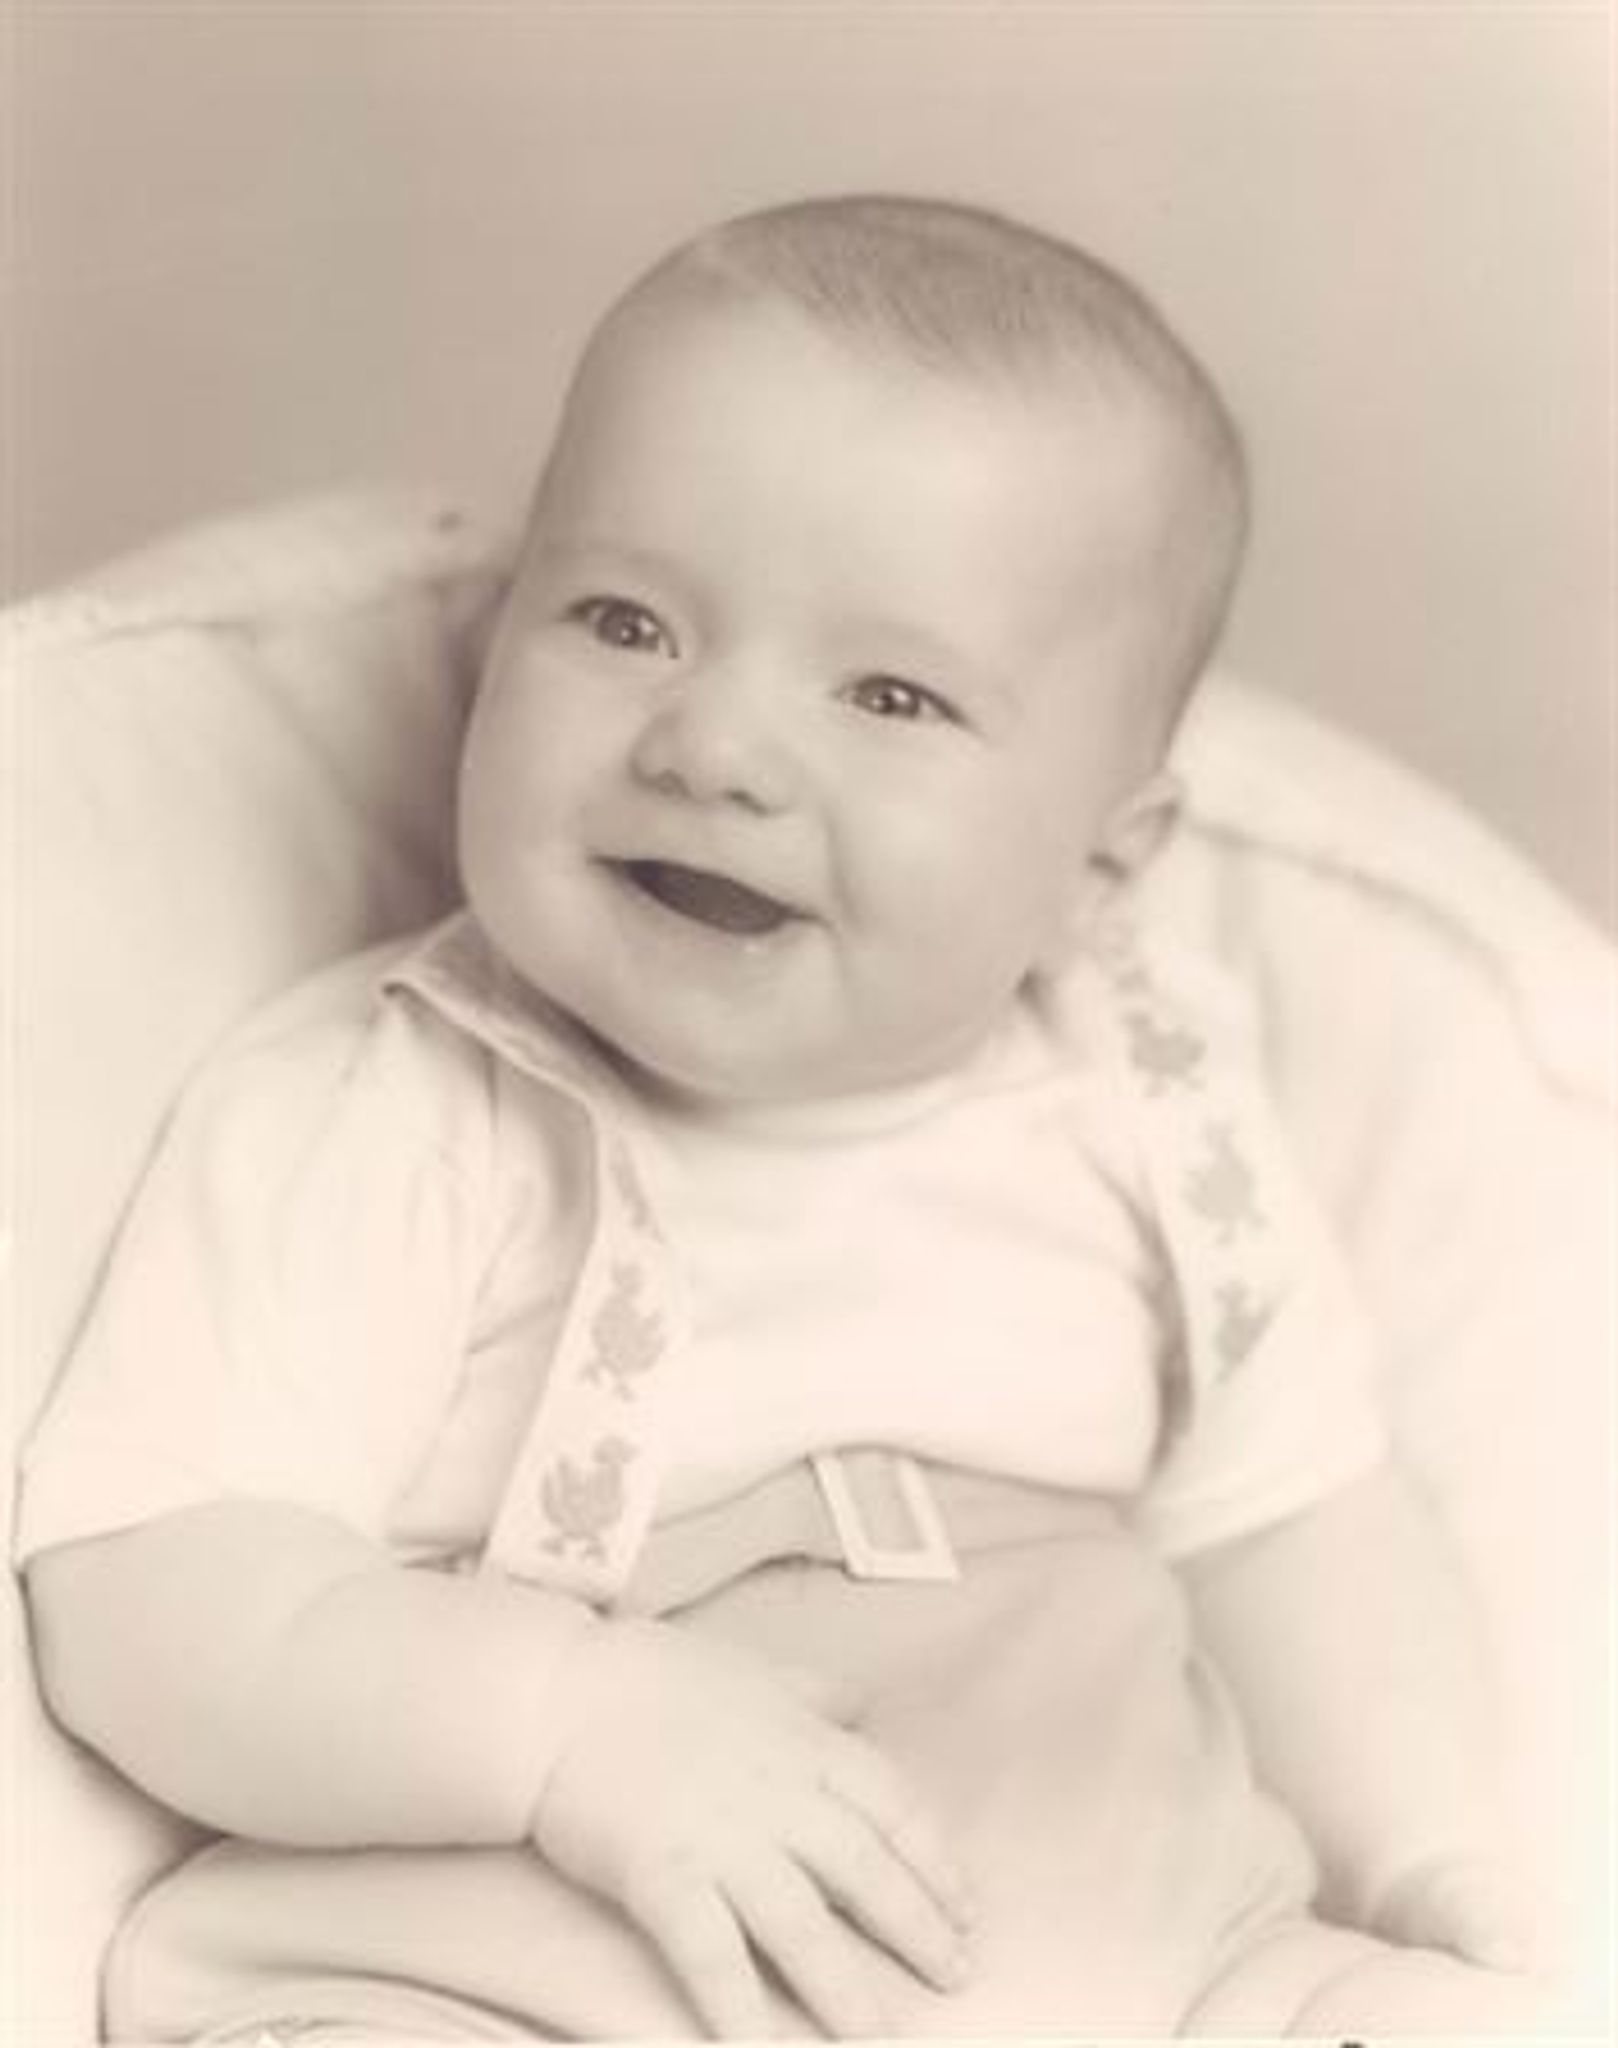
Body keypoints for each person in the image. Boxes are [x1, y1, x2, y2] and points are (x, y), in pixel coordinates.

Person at [19, 196, 1547, 2040]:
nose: (715, 747)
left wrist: (1433, 1861)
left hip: (1148, 1966)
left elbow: (1293, 1523)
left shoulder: (1154, 1112)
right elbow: (151, 1594)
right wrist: (564, 1729)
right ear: (492, 647)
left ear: (1098, 866)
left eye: (890, 694)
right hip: (537, 1976)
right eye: (625, 622)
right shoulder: (404, 1108)